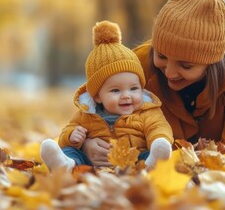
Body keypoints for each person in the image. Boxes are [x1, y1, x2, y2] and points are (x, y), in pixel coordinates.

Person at [82, 0, 225, 166]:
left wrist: (181, 158)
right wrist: (86, 144)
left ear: (211, 61)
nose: (170, 73)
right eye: (161, 56)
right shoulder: (135, 64)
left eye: (186, 65)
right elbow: (90, 108)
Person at [40, 20, 174, 172]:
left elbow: (158, 127)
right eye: (115, 91)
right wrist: (71, 136)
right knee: (71, 152)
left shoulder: (147, 111)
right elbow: (68, 129)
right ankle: (66, 165)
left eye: (133, 88)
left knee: (148, 153)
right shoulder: (88, 114)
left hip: (134, 160)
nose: (126, 96)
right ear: (97, 96)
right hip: (92, 164)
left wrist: (158, 140)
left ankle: (152, 164)